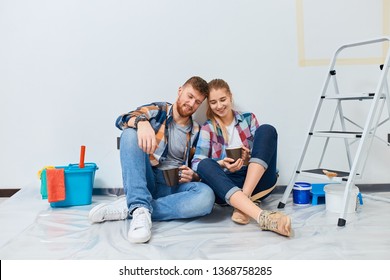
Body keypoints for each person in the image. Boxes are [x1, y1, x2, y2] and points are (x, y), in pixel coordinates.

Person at [89, 76, 215, 243]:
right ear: (180, 91)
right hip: (148, 178)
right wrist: (142, 123)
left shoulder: (198, 130)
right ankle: (139, 205)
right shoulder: (160, 110)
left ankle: (135, 208)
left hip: (173, 185)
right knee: (129, 134)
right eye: (190, 96)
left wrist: (194, 176)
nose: (191, 104)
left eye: (197, 102)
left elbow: (198, 164)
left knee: (206, 197)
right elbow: (122, 120)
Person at [191, 78, 291, 237]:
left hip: (257, 181)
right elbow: (196, 163)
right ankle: (260, 215)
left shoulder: (248, 119)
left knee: (267, 130)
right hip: (227, 185)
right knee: (204, 164)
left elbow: (262, 151)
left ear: (230, 97)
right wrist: (222, 164)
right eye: (213, 102)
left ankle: (243, 201)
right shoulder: (208, 127)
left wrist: (248, 158)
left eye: (223, 99)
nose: (219, 106)